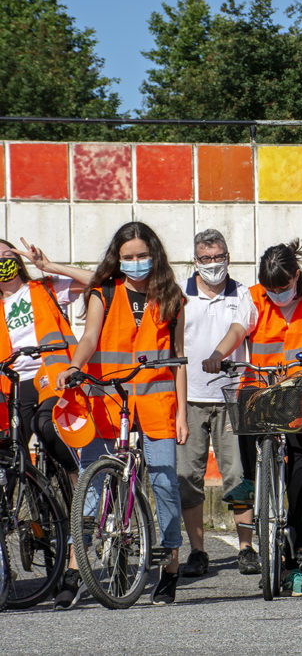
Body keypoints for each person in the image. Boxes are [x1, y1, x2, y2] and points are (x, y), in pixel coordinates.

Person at [55, 221, 188, 606]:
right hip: (107, 399)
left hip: (158, 402)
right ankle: (77, 570)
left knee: (164, 484)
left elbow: (179, 359)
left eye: (142, 256)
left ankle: (171, 566)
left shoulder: (172, 297)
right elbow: (90, 338)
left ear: (154, 255)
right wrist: (75, 366)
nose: (135, 263)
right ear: (118, 259)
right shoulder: (104, 292)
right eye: (128, 257)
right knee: (92, 485)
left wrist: (182, 412)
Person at [201, 240, 302, 597]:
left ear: (296, 275)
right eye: (271, 289)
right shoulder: (254, 296)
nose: (277, 295)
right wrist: (218, 353)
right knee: (244, 412)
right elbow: (237, 329)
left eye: (283, 288)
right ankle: (250, 479)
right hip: (260, 390)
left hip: (300, 397)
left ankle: (292, 566)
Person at [0, 238, 91, 610]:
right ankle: (35, 515)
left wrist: (49, 265)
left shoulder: (45, 288)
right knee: (11, 459)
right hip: (12, 384)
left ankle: (76, 480)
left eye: (8, 257)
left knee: (48, 427)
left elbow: (99, 279)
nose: (3, 263)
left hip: (51, 377)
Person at [176, 229, 258, 578]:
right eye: (206, 258)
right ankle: (197, 551)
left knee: (237, 475)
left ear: (228, 257)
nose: (213, 265)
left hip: (230, 397)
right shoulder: (180, 294)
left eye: (219, 257)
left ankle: (246, 546)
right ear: (195, 260)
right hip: (190, 399)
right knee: (187, 477)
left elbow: (240, 329)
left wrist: (217, 355)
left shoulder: (242, 293)